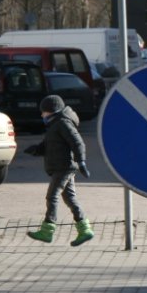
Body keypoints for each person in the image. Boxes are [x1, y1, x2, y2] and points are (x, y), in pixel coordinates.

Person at [24, 95, 93, 247]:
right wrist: (37, 150)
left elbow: (77, 142)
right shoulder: (55, 124)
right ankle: (85, 230)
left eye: (44, 112)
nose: (42, 115)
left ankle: (47, 230)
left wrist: (81, 161)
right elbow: (51, 144)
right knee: (70, 199)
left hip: (64, 167)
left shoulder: (63, 123)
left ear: (52, 111)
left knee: (52, 196)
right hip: (60, 167)